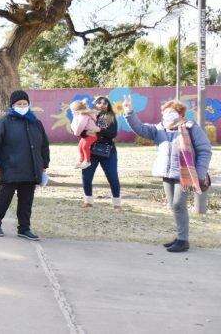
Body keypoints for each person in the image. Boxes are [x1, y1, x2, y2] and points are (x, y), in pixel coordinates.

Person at [124, 96, 212, 253]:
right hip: (167, 173)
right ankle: (180, 237)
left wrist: (199, 174)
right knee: (173, 206)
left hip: (184, 174)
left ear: (180, 114)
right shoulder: (159, 128)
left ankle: (183, 240)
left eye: (170, 112)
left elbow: (205, 150)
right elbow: (140, 128)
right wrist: (129, 111)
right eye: (164, 112)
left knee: (178, 204)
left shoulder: (191, 128)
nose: (166, 115)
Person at [0, 90, 50, 241]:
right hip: (10, 169)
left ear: (29, 104)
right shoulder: (4, 122)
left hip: (30, 169)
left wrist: (44, 163)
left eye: (24, 103)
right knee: (4, 198)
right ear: (12, 106)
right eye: (19, 104)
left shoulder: (35, 122)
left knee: (26, 201)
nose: (22, 106)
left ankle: (24, 228)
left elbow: (44, 145)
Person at [81, 96, 122, 208]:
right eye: (99, 103)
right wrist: (86, 133)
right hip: (91, 151)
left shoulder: (111, 117)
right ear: (95, 104)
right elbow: (80, 130)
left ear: (108, 105)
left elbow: (113, 133)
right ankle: (88, 201)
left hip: (108, 151)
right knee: (86, 176)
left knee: (112, 177)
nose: (102, 105)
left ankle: (117, 203)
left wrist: (99, 130)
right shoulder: (88, 116)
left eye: (105, 103)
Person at [70, 100, 100, 169]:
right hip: (87, 134)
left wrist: (76, 133)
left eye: (72, 109)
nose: (71, 111)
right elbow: (74, 124)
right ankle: (81, 161)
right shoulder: (78, 115)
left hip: (92, 134)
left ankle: (87, 161)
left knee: (85, 147)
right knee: (80, 147)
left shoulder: (83, 115)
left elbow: (80, 125)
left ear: (76, 109)